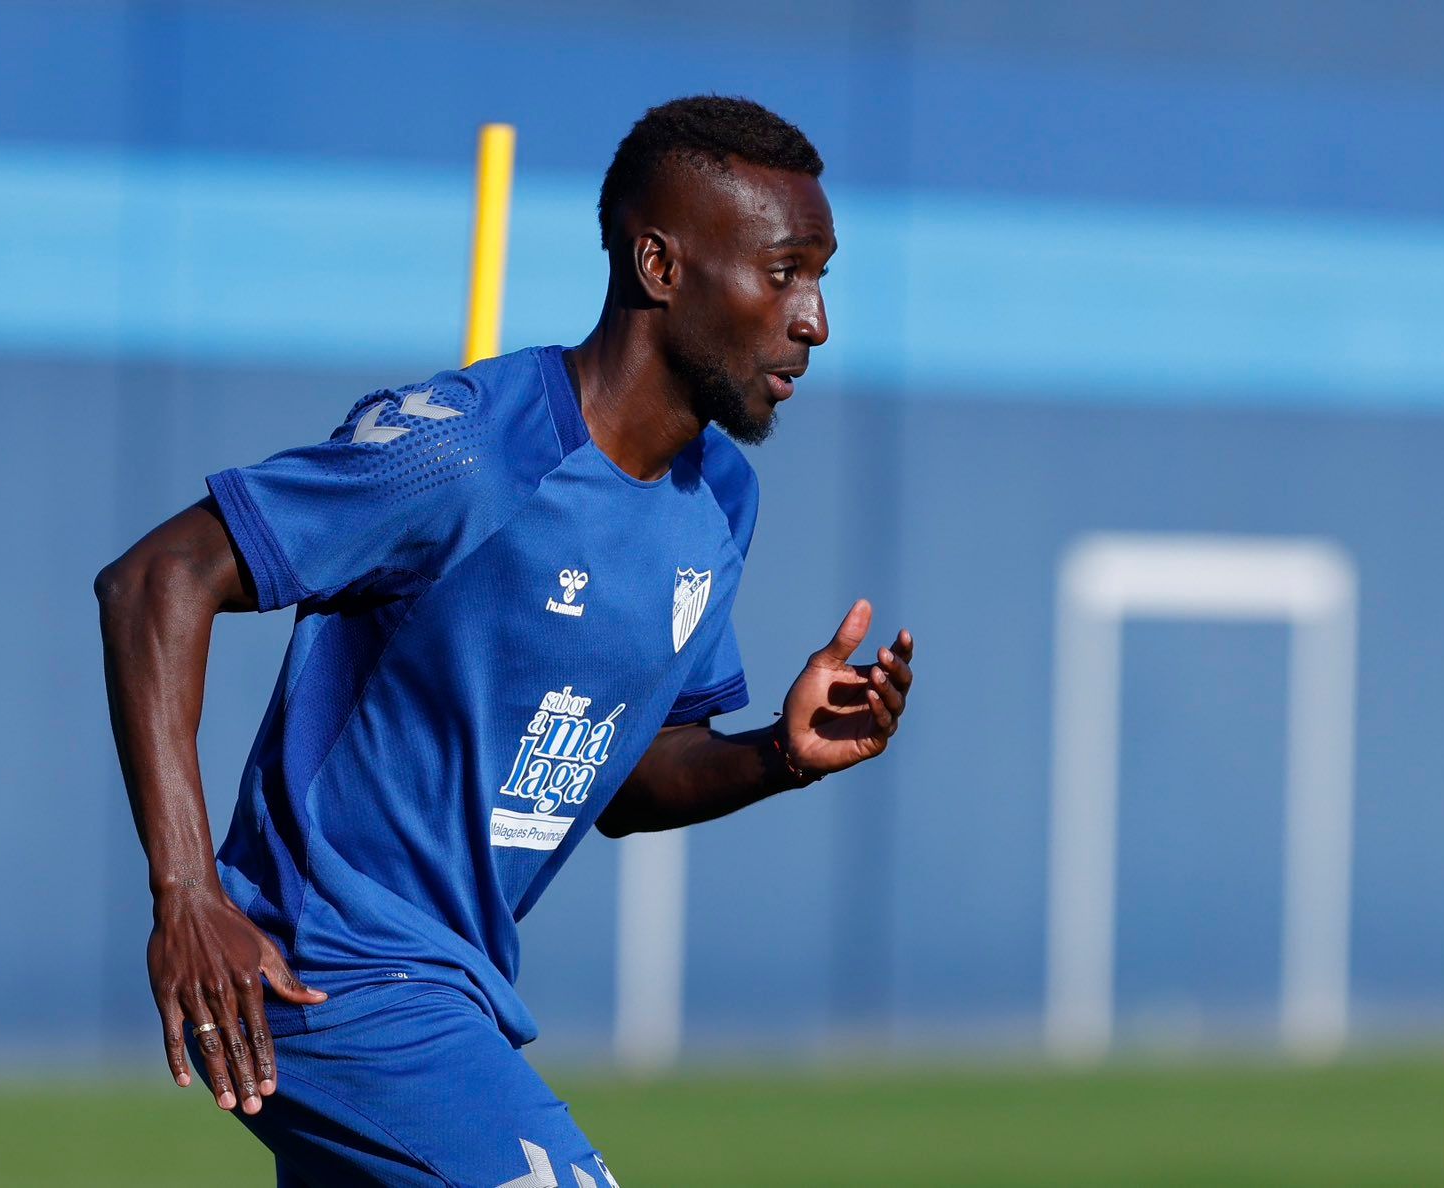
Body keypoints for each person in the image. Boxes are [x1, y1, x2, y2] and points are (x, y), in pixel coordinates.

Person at [96, 94, 911, 1187]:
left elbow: (629, 780)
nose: (814, 320)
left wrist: (776, 754)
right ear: (660, 267)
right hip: (326, 964)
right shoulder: (471, 447)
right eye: (782, 273)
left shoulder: (719, 499)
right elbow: (156, 579)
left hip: (459, 983)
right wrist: (188, 895)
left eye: (820, 276)